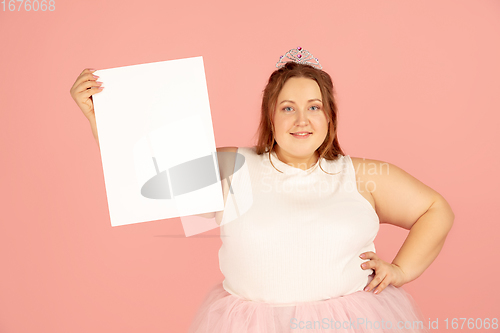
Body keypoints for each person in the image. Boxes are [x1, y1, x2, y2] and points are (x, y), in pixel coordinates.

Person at [70, 47, 454, 333]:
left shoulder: (362, 175)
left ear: (330, 116)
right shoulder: (233, 167)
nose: (301, 119)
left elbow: (435, 209)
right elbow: (150, 171)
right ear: (269, 116)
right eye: (287, 107)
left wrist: (401, 270)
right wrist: (100, 117)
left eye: (314, 107)